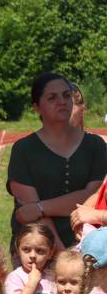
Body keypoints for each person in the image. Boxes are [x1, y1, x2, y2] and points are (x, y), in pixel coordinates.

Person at [8, 73, 107, 249]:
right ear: (36, 107)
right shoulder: (23, 150)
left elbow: (93, 195)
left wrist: (40, 207)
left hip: (89, 244)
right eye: (52, 97)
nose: (62, 101)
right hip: (38, 249)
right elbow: (28, 211)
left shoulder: (95, 145)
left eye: (66, 95)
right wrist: (59, 253)